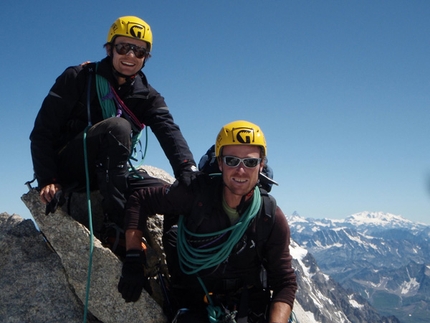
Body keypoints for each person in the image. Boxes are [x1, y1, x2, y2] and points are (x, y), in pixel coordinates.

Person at [118, 120, 297, 323]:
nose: (241, 170)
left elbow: (285, 283)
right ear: (220, 163)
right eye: (232, 161)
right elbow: (140, 201)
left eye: (250, 162)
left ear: (261, 165)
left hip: (248, 308)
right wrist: (133, 256)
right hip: (195, 305)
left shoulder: (268, 215)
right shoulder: (195, 195)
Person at [30, 16, 197, 232]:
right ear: (109, 49)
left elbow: (169, 131)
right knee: (118, 128)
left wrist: (187, 169)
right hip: (70, 167)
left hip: (110, 173)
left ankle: (173, 254)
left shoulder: (147, 96)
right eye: (124, 47)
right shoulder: (78, 77)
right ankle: (115, 224)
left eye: (139, 51)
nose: (130, 55)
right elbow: (42, 132)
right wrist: (48, 179)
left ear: (146, 57)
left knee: (174, 194)